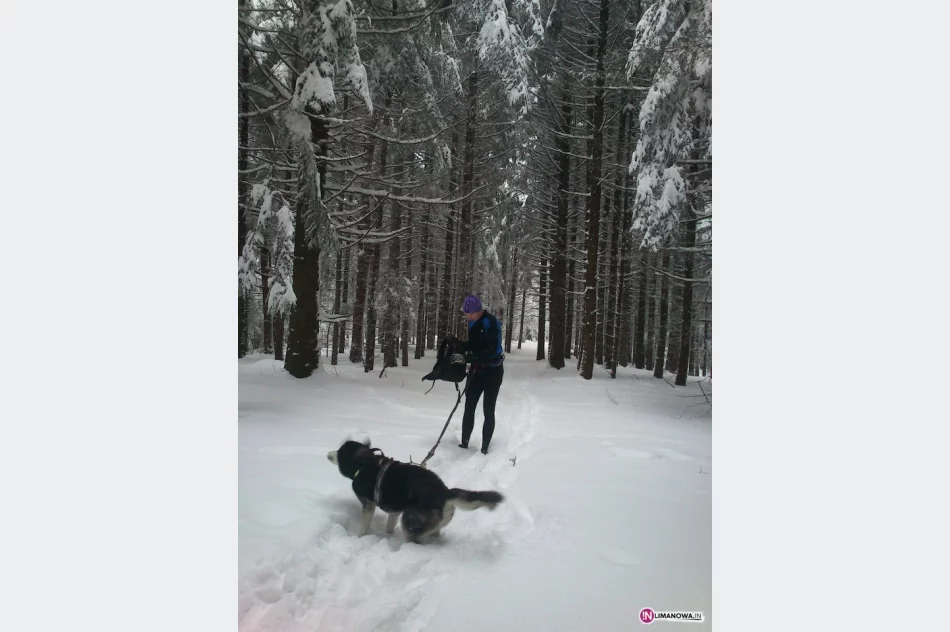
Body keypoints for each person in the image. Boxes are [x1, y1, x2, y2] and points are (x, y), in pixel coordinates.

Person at [451, 294, 505, 455]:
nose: (469, 317)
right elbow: (474, 345)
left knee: (488, 409)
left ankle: (485, 447)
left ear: (479, 310)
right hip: (476, 371)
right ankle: (464, 443)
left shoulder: (492, 322)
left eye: (472, 314)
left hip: (493, 371)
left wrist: (467, 358)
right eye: (467, 314)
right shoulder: (473, 322)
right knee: (469, 407)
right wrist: (458, 344)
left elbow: (490, 350)